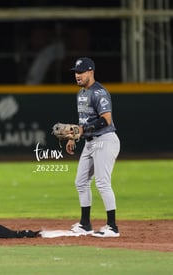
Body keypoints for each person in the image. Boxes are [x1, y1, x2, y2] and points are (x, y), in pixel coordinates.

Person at [67, 57, 121, 238]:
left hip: (105, 139)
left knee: (102, 183)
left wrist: (82, 130)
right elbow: (85, 121)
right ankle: (85, 224)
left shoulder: (99, 92)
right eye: (76, 72)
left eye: (81, 72)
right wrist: (75, 136)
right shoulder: (81, 94)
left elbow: (106, 120)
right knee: (80, 182)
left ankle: (112, 227)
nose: (77, 75)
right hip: (90, 142)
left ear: (91, 72)